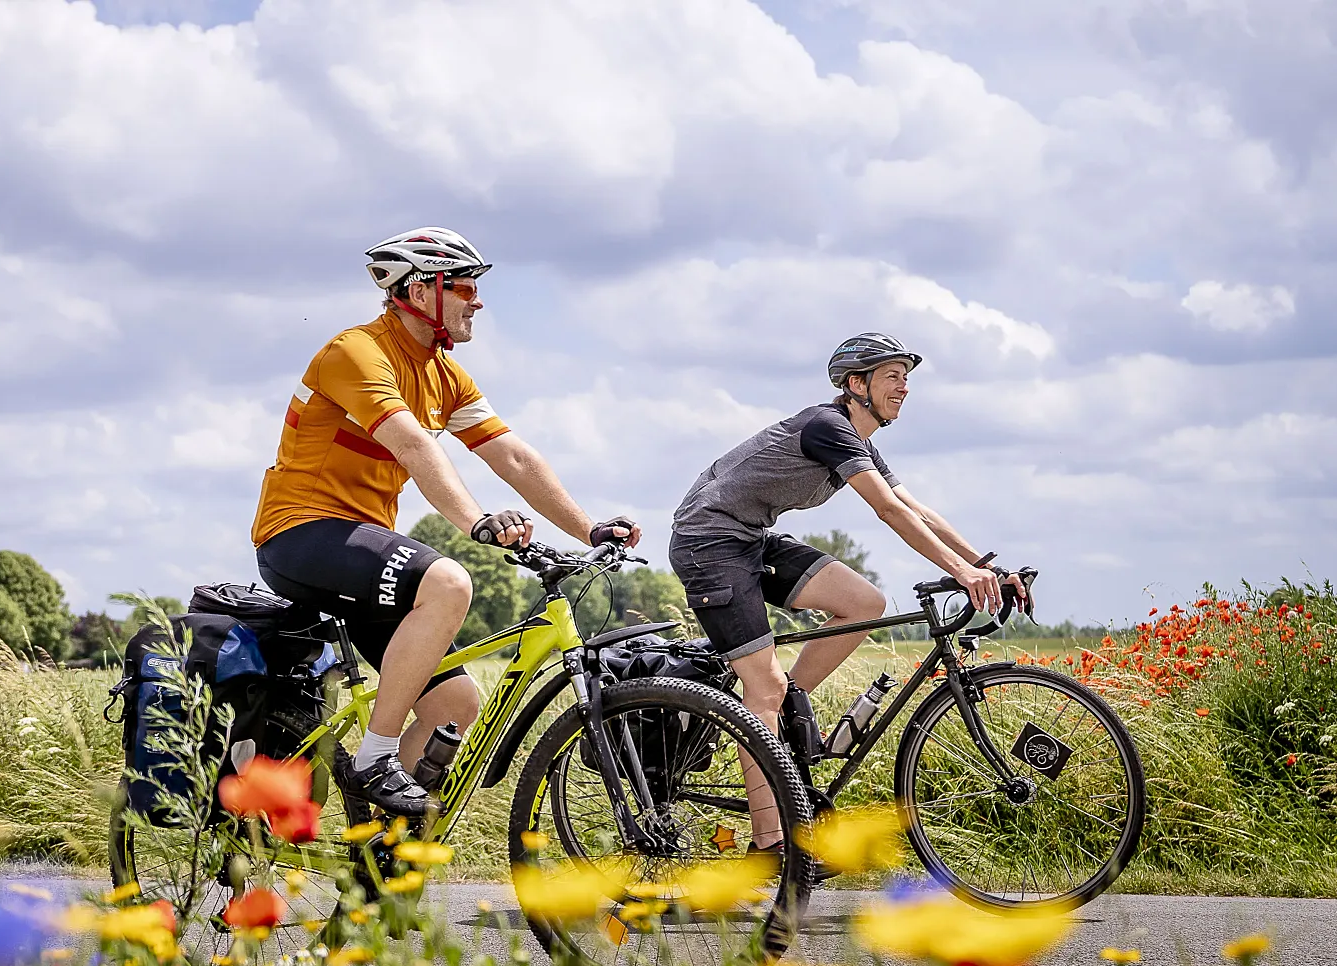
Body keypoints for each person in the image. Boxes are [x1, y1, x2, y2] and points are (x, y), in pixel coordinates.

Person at [251, 227, 639, 816]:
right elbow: (415, 447)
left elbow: (511, 455)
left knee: (455, 705)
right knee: (449, 581)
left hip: (363, 547)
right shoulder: (355, 353)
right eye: (462, 286)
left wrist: (587, 530)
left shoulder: (444, 375)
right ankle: (374, 759)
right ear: (417, 290)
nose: (477, 300)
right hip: (300, 532)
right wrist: (478, 521)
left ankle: (374, 861)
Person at [668, 332, 1027, 844]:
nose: (903, 387)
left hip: (752, 538)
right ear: (856, 384)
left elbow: (916, 508)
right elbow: (887, 511)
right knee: (761, 689)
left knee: (864, 604)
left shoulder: (859, 443)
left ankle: (782, 709)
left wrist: (986, 565)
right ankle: (772, 842)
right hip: (709, 542)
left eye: (906, 377)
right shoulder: (826, 427)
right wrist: (963, 574)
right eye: (891, 376)